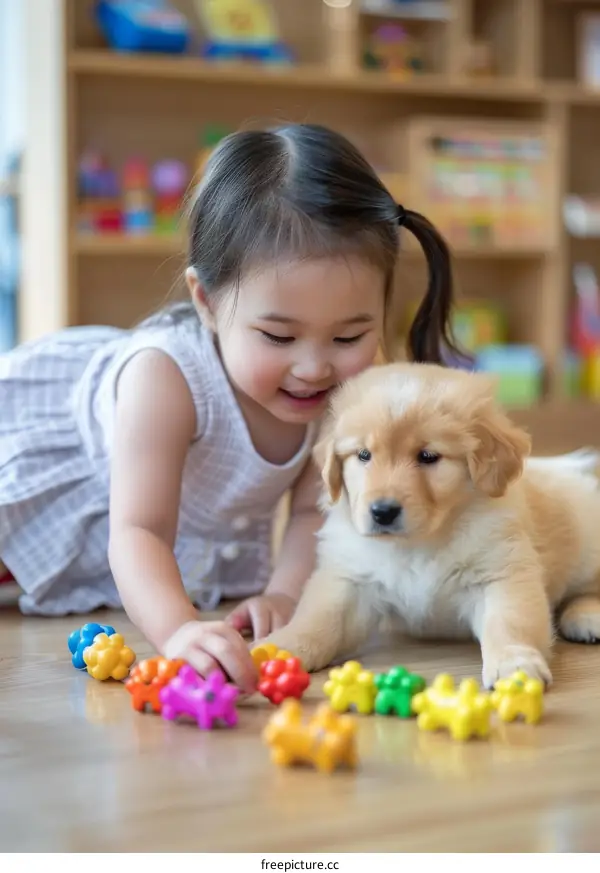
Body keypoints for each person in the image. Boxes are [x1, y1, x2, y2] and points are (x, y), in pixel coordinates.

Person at [0, 122, 573, 692]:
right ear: (206, 301)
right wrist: (178, 633)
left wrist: (283, 595)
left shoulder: (355, 394)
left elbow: (310, 514)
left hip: (172, 529)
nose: (314, 368)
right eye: (278, 337)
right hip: (65, 481)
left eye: (350, 336)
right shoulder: (164, 379)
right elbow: (140, 529)